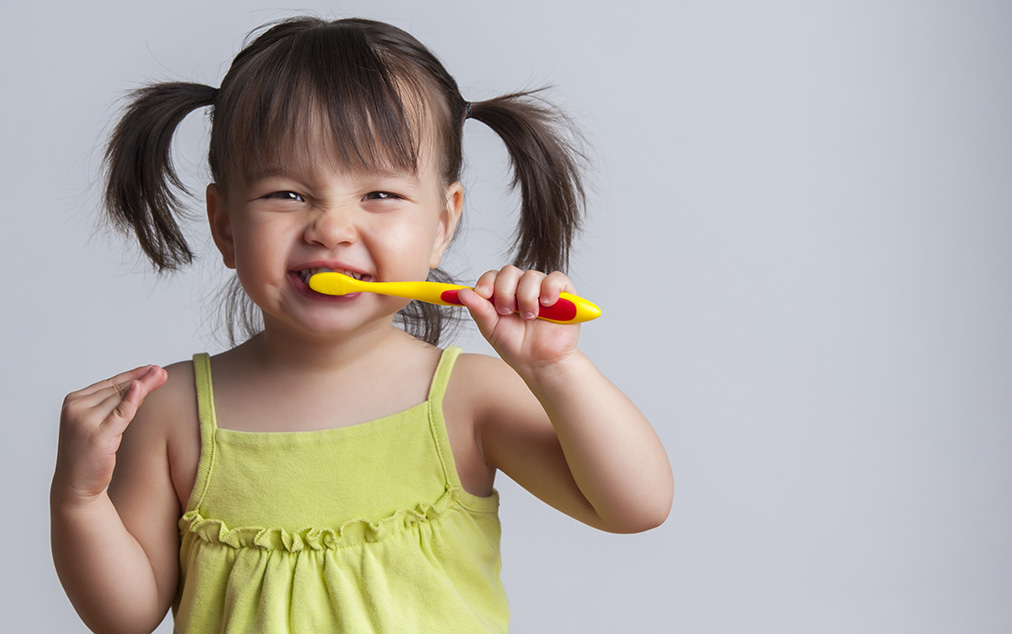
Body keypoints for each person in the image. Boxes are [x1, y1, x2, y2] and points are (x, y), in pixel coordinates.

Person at [51, 16, 672, 634]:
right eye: (286, 195)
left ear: (441, 224)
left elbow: (634, 506)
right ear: (225, 226)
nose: (331, 228)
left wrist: (555, 368)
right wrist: (78, 499)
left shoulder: (467, 399)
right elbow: (124, 617)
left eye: (379, 195)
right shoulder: (172, 414)